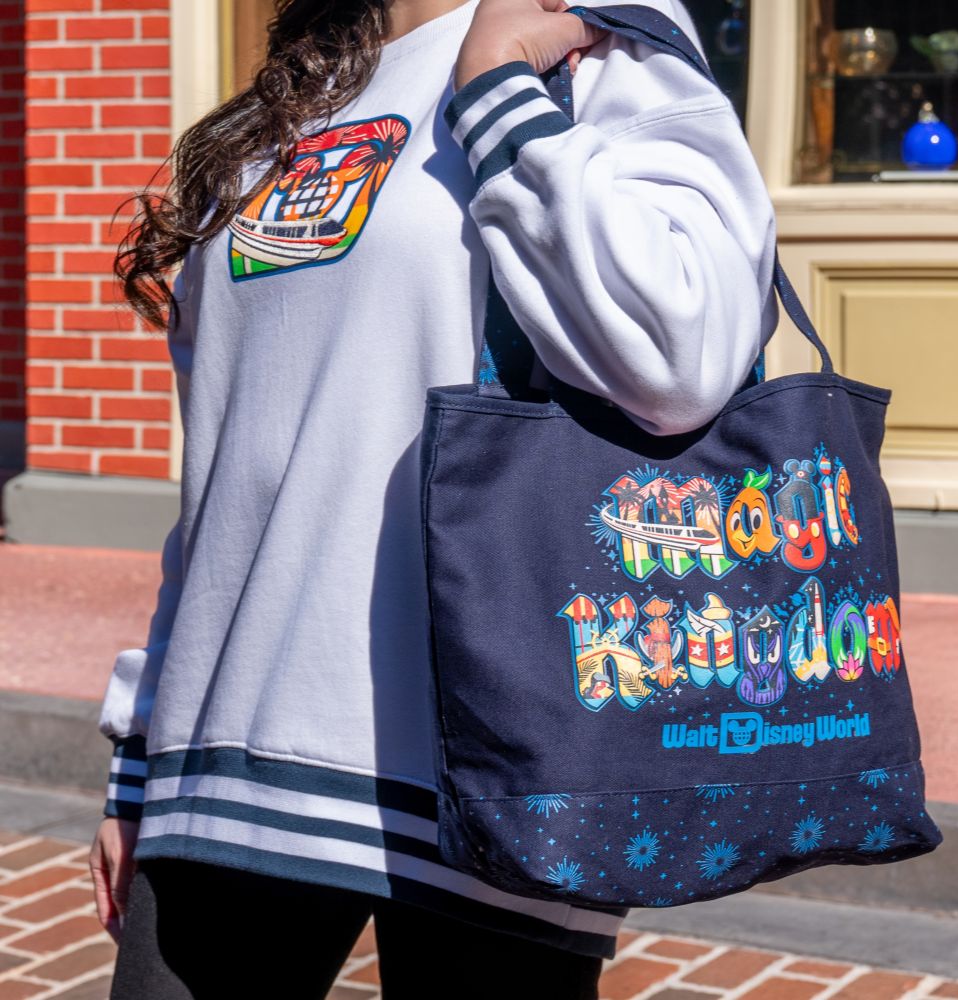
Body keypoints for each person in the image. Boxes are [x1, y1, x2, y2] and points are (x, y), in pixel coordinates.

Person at [88, 0, 778, 995]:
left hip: (486, 774)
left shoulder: (585, 33)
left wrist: (496, 82)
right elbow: (224, 483)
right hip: (222, 765)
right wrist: (140, 749)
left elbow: (683, 350)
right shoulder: (293, 96)